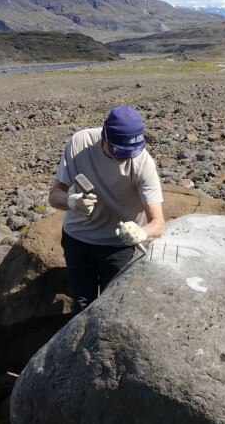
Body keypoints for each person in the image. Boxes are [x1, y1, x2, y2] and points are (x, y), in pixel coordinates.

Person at [48, 105, 164, 313]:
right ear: (104, 136)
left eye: (130, 153)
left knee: (113, 308)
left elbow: (158, 223)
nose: (124, 158)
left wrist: (141, 232)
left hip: (118, 246)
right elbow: (54, 196)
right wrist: (72, 202)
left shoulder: (142, 163)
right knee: (82, 305)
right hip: (78, 241)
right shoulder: (80, 143)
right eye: (118, 151)